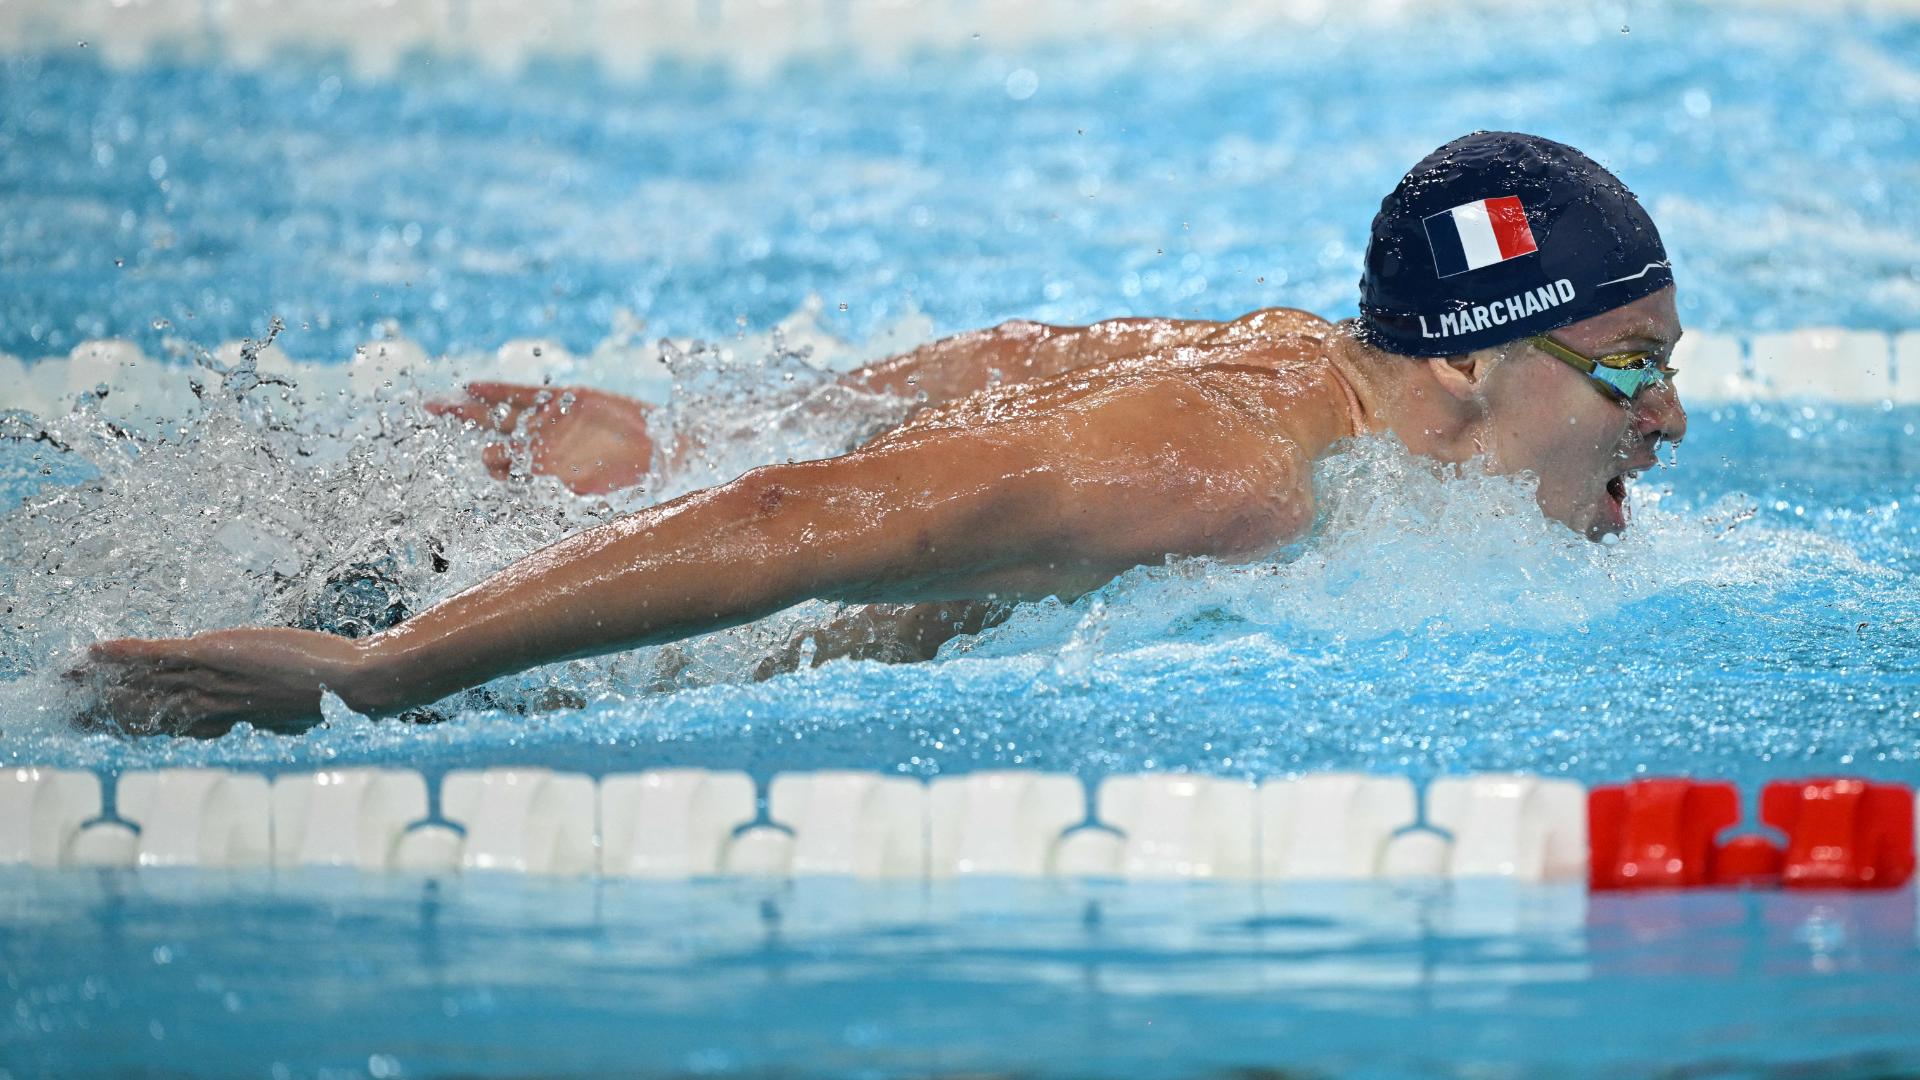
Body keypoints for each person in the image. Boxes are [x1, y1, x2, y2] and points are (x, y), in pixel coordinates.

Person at [73, 131, 1688, 736]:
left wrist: (687, 434)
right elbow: (789, 522)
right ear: (1473, 361)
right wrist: (381, 672)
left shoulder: (1304, 367)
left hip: (589, 519)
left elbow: (1009, 358)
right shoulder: (1230, 479)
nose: (1669, 416)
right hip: (527, 629)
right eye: (1629, 369)